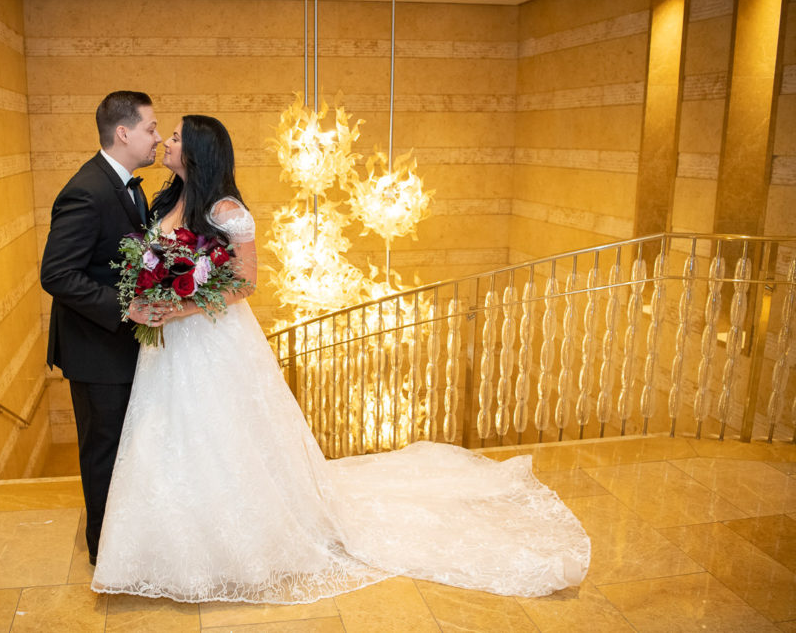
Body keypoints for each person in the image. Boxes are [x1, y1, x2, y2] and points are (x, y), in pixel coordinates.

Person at [91, 115, 590, 603]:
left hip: (210, 339)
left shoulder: (225, 209)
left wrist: (180, 307)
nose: (167, 143)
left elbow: (245, 281)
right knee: (170, 435)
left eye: (175, 137)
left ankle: (241, 545)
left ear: (198, 152)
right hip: (171, 350)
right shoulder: (170, 198)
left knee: (221, 435)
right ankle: (171, 546)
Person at [40, 91, 164, 566]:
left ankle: (124, 542)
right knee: (104, 454)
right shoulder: (86, 190)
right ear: (123, 133)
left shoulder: (127, 186)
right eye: (151, 128)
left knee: (123, 451)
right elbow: (56, 274)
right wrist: (125, 308)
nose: (156, 137)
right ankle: (105, 554)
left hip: (117, 350)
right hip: (95, 352)